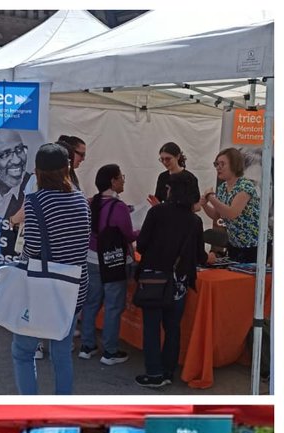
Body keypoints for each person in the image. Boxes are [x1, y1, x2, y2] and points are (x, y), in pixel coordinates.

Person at [11, 144, 90, 395]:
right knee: (61, 352)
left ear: (37, 172)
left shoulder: (35, 202)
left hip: (41, 289)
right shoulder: (81, 199)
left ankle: (30, 407)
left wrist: (19, 261)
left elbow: (32, 248)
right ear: (67, 169)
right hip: (73, 288)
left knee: (23, 352)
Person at [134, 172, 206, 388]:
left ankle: (154, 373)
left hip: (154, 279)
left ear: (172, 190)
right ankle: (167, 371)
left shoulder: (157, 212)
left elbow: (142, 244)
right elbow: (199, 255)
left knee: (152, 326)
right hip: (179, 283)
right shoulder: (195, 221)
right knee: (173, 327)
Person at [79, 164, 137, 366]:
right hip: (112, 262)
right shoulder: (118, 207)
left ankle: (87, 346)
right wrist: (142, 230)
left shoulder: (91, 202)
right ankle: (110, 351)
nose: (123, 180)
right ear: (113, 181)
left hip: (90, 258)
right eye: (121, 177)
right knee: (113, 306)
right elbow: (128, 235)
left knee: (91, 303)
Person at [201, 147, 261, 263]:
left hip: (253, 244)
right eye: (216, 164)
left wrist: (211, 198)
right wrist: (205, 205)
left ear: (234, 165)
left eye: (222, 164)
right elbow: (217, 215)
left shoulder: (245, 186)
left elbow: (232, 213)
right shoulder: (223, 187)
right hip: (235, 243)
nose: (218, 168)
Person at [152, 142, 200, 208]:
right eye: (162, 159)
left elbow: (197, 205)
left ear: (178, 156)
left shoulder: (190, 178)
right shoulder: (162, 177)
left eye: (168, 159)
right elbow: (158, 199)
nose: (164, 162)